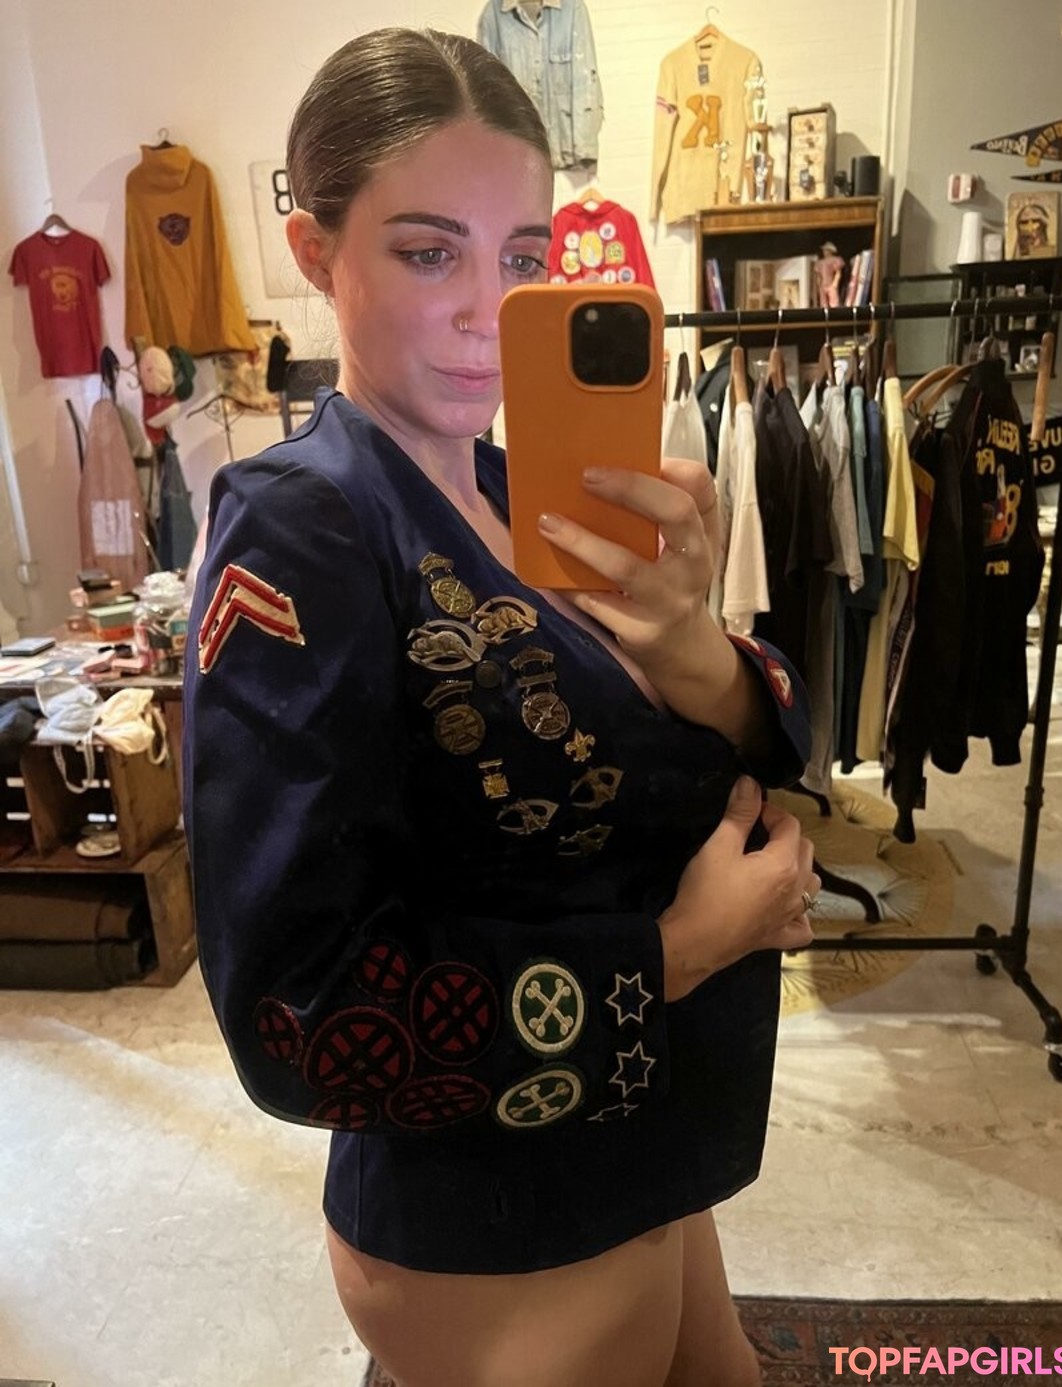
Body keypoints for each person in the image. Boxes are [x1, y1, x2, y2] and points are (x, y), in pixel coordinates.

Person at [183, 26, 818, 1387]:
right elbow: (303, 1014)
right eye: (431, 254)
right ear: (317, 254)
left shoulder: (534, 492)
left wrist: (696, 652)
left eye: (522, 259)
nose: (489, 308)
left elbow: (744, 736)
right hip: (495, 1213)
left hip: (643, 1138)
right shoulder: (303, 530)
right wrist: (677, 953)